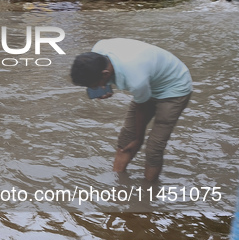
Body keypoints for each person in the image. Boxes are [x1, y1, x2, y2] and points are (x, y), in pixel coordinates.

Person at [70, 38, 193, 182]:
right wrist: (106, 86)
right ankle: (117, 182)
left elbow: (143, 106)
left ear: (105, 74)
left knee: (154, 148)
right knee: (126, 139)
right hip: (148, 79)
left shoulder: (135, 79)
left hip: (174, 88)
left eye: (94, 85)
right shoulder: (99, 50)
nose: (93, 88)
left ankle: (148, 191)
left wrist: (138, 138)